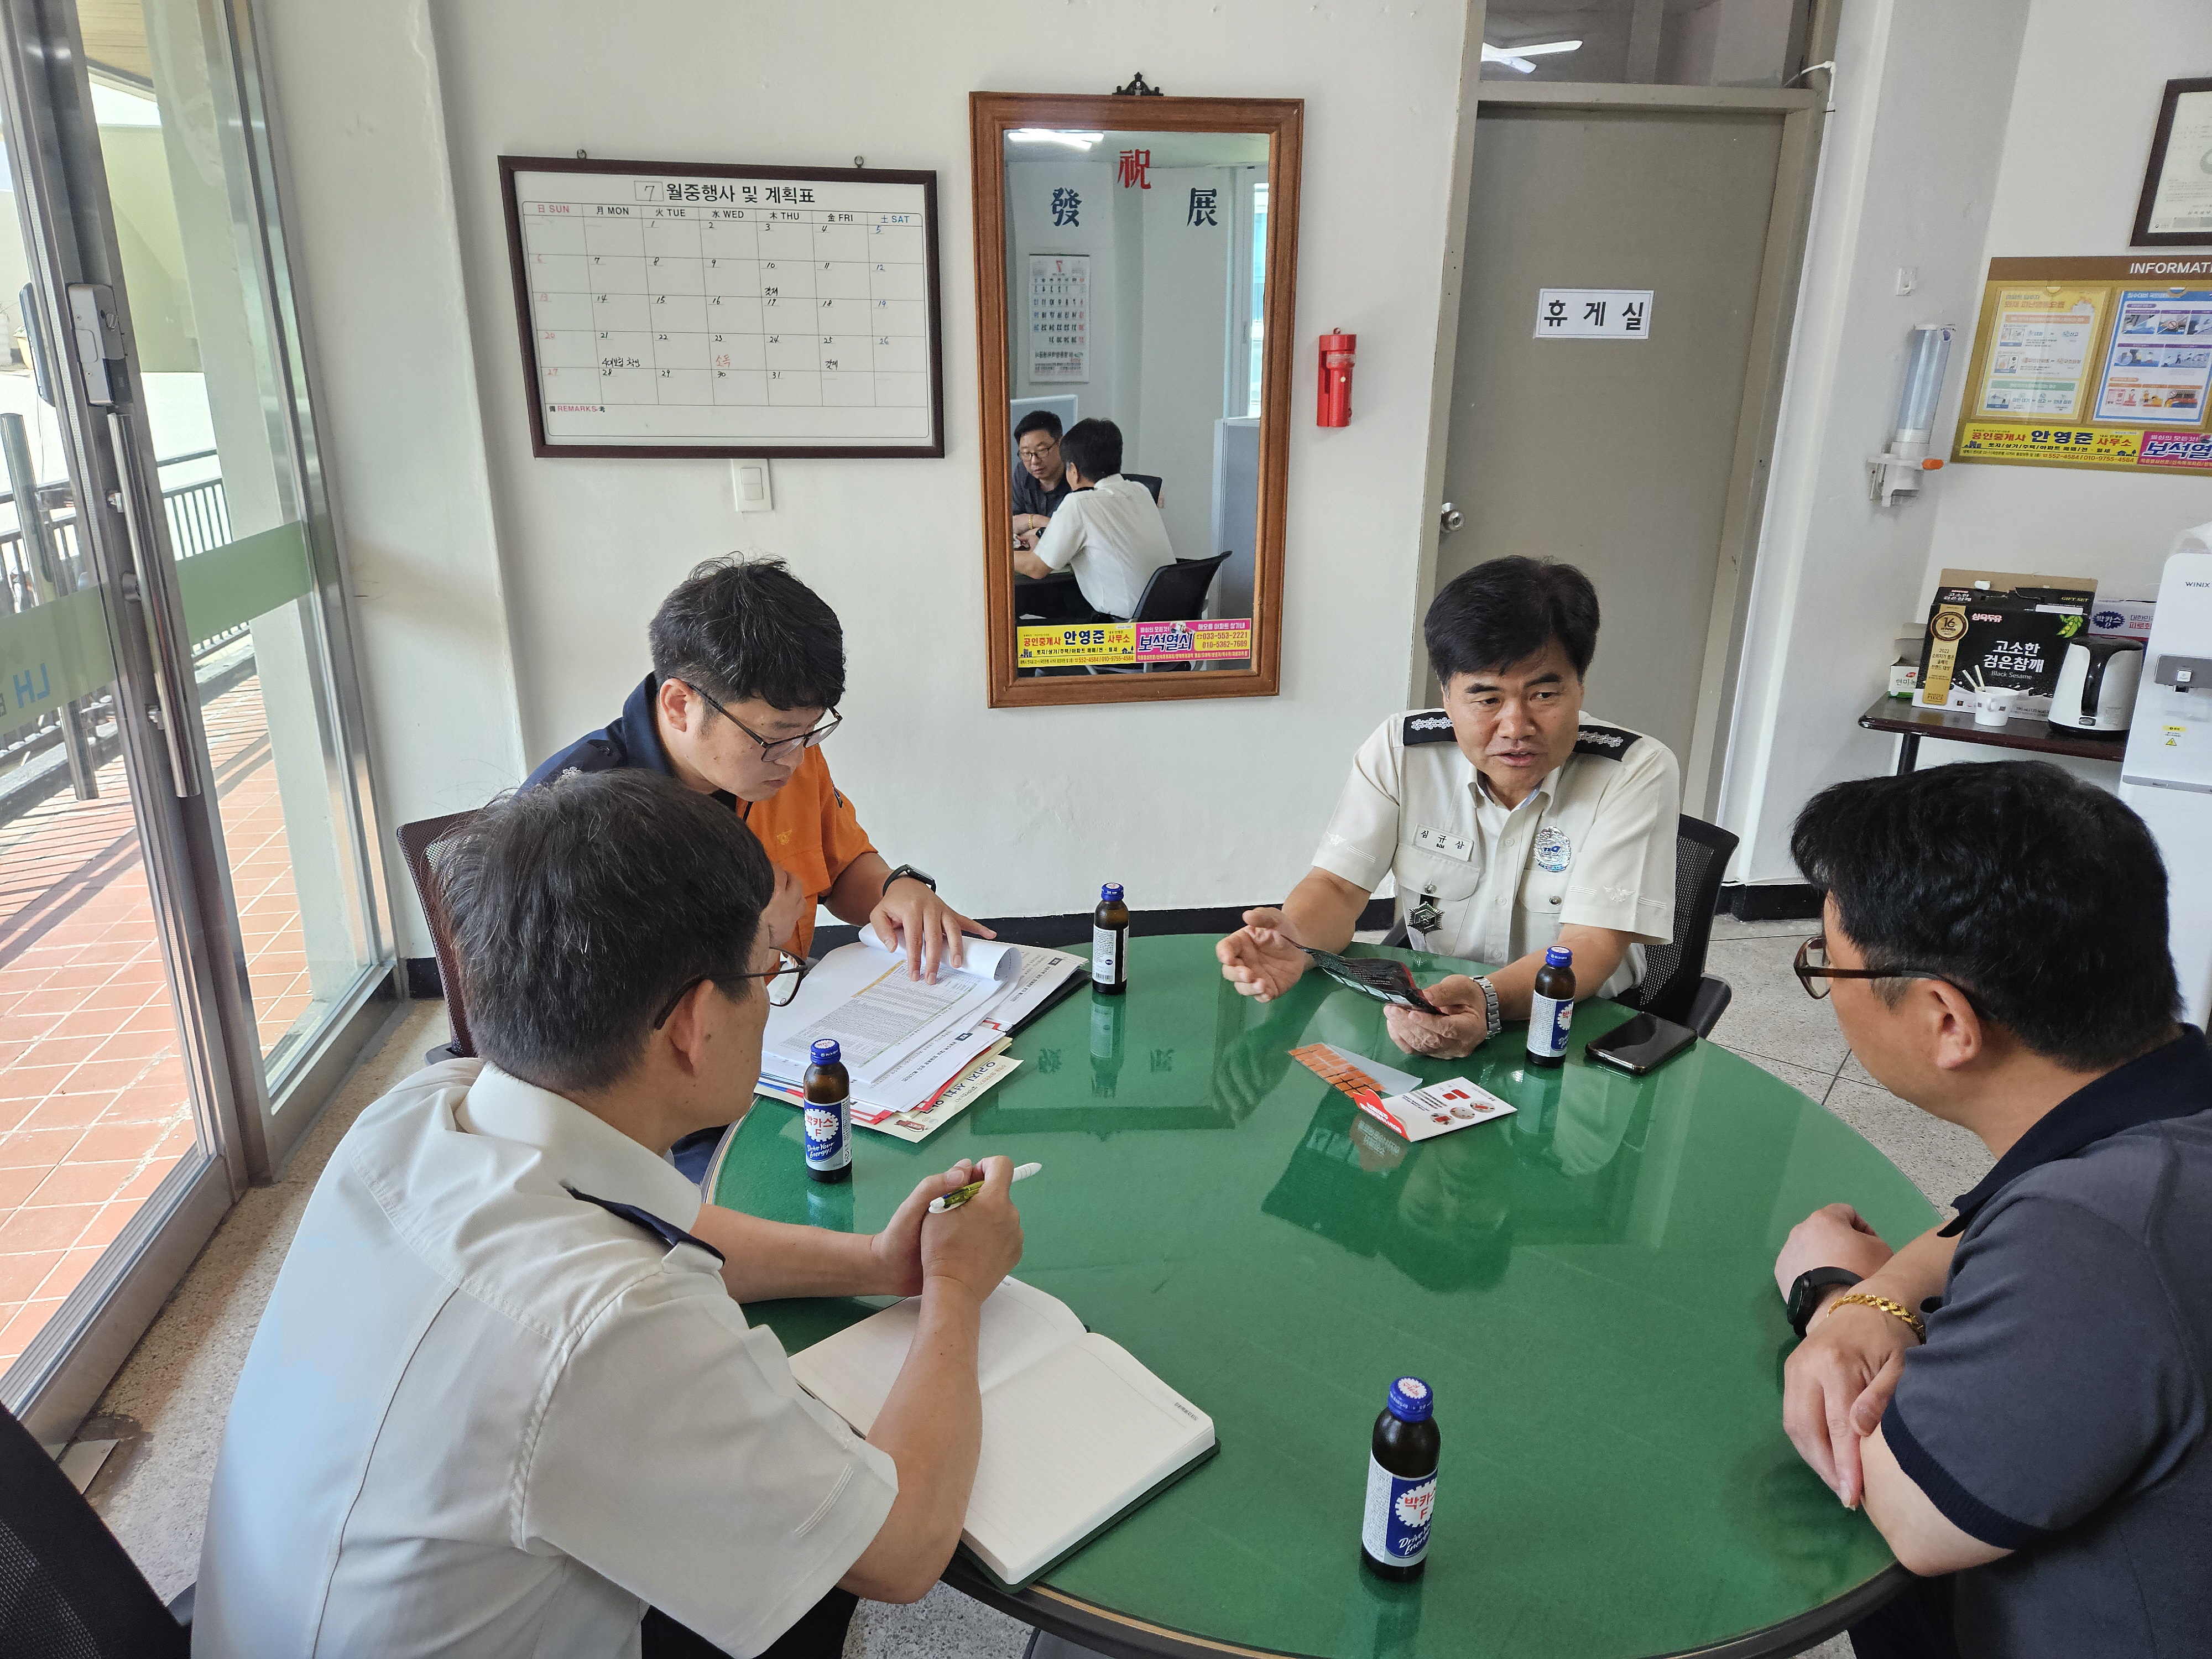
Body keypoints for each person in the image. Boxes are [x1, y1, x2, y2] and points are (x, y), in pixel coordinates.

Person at [194, 770, 1026, 1659]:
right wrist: (953, 1285)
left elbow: (655, 1226)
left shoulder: (417, 1114)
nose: (770, 993)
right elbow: (901, 1551)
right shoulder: (614, 1325)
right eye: (766, 970)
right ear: (693, 1023)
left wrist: (875, 1263)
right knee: (818, 1571)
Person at [1771, 761, 2210, 1659]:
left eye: (1828, 962)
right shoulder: (2163, 1113)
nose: (1827, 984)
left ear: (1947, 1020)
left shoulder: (2095, 1238)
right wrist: (1881, 1299)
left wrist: (1826, 1295)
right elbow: (1982, 1219)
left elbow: (1910, 1506)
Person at [1216, 556, 1678, 1060]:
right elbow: (1338, 886)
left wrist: (1487, 1000)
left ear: (1580, 687)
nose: (1515, 727)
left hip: (1578, 1023)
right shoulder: (1402, 750)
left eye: (1544, 694)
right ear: (1447, 695)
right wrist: (1299, 939)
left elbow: (1591, 943)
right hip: (1432, 1007)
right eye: (1486, 699)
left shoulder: (1633, 768)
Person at [528, 555, 988, 980]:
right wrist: (746, 944)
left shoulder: (787, 754)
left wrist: (895, 889)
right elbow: (568, 1011)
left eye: (809, 731)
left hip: (789, 1012)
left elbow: (841, 868)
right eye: (775, 736)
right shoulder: (571, 822)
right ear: (680, 705)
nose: (795, 758)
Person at [1013, 416, 1174, 619]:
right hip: (1166, 621)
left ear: (1074, 471)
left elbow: (1036, 568)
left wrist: (992, 554)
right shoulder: (1140, 491)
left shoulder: (1080, 503)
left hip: (1120, 627)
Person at [1010, 409, 1071, 549]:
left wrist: (1031, 522)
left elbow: (1070, 534)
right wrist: (1040, 524)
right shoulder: (1022, 472)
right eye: (1026, 453)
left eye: (1042, 450)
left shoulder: (1077, 475)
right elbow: (1013, 528)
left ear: (1061, 444)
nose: (1034, 461)